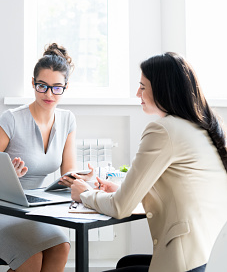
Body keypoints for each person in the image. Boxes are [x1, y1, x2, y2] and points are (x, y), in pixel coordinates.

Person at [69, 52, 227, 272]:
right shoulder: (201, 129)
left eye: (142, 87)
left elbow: (119, 207)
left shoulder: (163, 130)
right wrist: (118, 190)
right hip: (209, 260)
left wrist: (85, 193)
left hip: (185, 265)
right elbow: (179, 195)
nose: (137, 93)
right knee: (127, 263)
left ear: (163, 89)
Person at [0, 43, 93, 272]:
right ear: (33, 84)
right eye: (42, 86)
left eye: (56, 88)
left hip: (27, 211)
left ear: (65, 87)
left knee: (61, 246)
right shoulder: (11, 119)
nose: (48, 94)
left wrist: (80, 179)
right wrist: (5, 174)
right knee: (30, 256)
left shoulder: (67, 120)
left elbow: (68, 174)